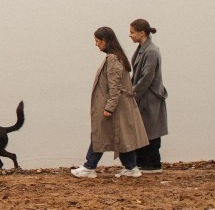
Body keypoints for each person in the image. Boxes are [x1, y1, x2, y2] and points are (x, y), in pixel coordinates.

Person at [71, 26, 149, 179]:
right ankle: (131, 167)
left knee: (99, 134)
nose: (96, 44)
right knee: (120, 136)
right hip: (120, 106)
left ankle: (89, 167)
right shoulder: (116, 57)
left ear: (105, 41)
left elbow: (115, 86)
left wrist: (109, 107)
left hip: (115, 107)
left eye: (97, 41)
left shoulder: (113, 59)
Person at [128, 18, 169, 173]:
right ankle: (142, 162)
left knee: (151, 130)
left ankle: (152, 164)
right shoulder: (142, 48)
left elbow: (147, 77)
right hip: (144, 96)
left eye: (132, 32)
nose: (130, 35)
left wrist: (133, 94)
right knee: (143, 129)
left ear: (142, 33)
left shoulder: (151, 51)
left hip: (150, 97)